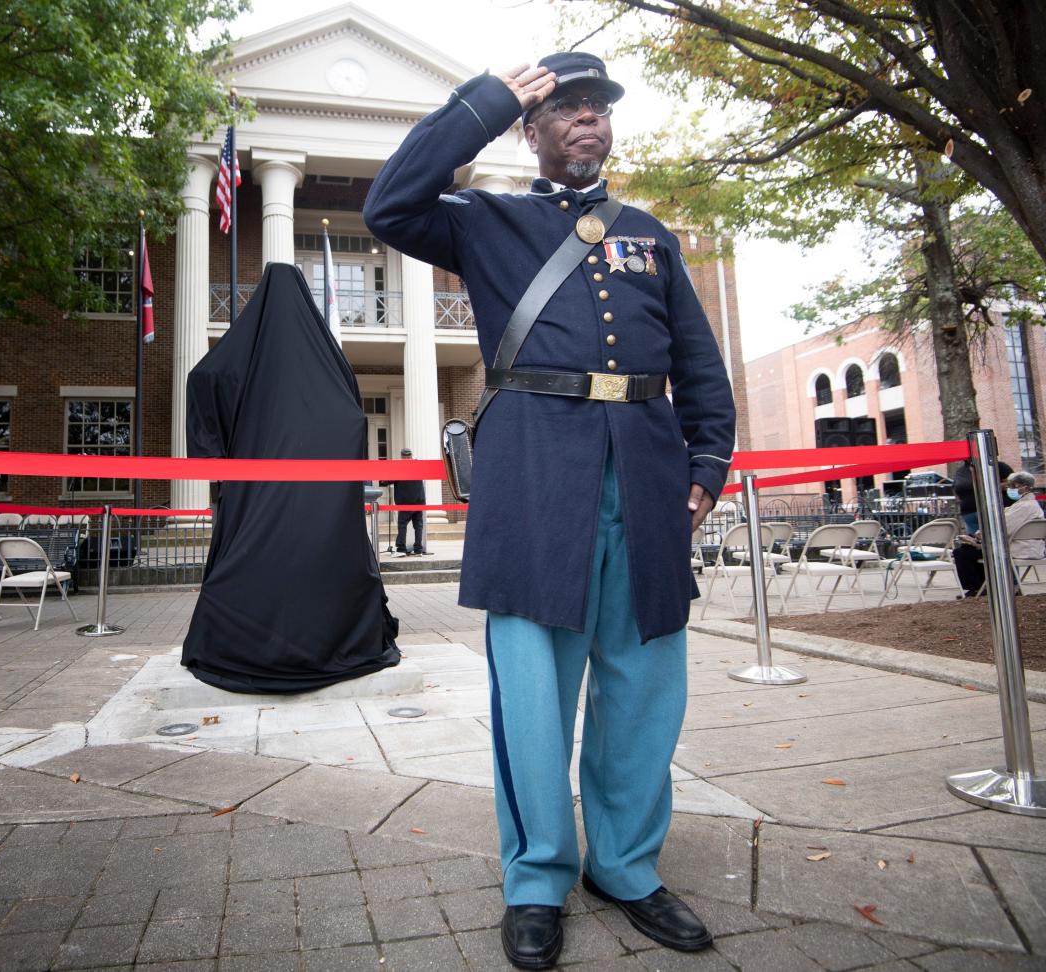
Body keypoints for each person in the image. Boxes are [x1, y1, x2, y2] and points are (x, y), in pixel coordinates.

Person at [365, 53, 735, 968]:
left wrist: (708, 462)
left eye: (598, 108)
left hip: (645, 483)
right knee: (533, 697)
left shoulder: (649, 234)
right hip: (534, 482)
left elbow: (697, 364)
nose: (587, 120)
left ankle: (628, 868)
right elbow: (389, 202)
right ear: (532, 129)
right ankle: (536, 877)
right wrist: (490, 100)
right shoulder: (489, 223)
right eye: (566, 107)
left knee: (645, 689)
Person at [953, 471, 1044, 596]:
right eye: (1009, 486)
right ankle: (981, 587)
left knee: (962, 552)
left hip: (1016, 549)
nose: (1009, 489)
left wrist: (977, 538)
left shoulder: (1023, 507)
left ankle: (977, 588)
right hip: (1029, 547)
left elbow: (1002, 529)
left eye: (1013, 486)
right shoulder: (1031, 505)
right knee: (970, 550)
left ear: (1026, 487)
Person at [381, 448, 426, 556]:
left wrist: (383, 474)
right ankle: (418, 549)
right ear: (411, 456)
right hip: (419, 501)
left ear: (402, 457)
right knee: (418, 526)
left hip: (406, 502)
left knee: (402, 525)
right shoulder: (418, 465)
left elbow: (385, 481)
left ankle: (401, 548)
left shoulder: (399, 467)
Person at [953, 456, 1013, 534]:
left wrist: (995, 486)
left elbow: (1012, 483)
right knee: (973, 540)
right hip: (969, 513)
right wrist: (959, 500)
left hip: (992, 511)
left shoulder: (998, 466)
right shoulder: (961, 471)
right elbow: (954, 487)